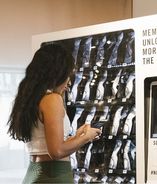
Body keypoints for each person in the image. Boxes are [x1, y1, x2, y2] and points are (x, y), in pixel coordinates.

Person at [7, 43, 101, 183]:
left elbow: (45, 146)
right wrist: (86, 137)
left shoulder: (31, 99)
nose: (69, 82)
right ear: (57, 72)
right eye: (68, 74)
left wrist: (76, 136)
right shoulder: (52, 99)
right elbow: (56, 151)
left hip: (34, 173)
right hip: (53, 176)